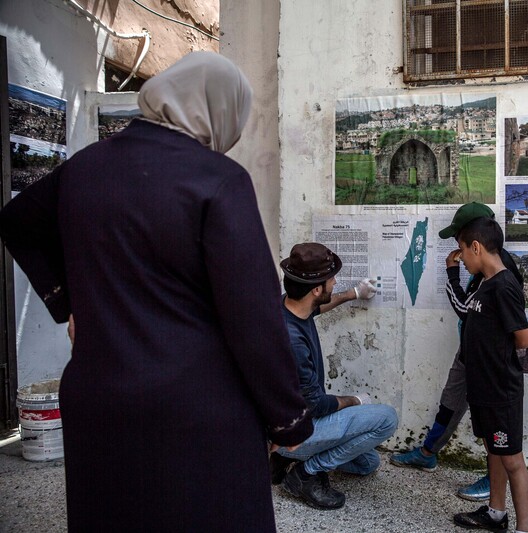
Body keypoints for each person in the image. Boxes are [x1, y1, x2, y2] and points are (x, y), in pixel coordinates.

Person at [0, 52, 313, 532]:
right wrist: (287, 418)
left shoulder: (84, 168)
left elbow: (18, 221)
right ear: (219, 109)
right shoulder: (217, 179)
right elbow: (254, 318)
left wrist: (67, 305)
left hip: (99, 398)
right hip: (195, 411)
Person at [390, 202, 524, 502]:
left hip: (488, 361)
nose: (458, 251)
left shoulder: (500, 272)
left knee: (492, 424)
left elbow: (466, 309)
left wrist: (451, 274)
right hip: (470, 352)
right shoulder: (488, 267)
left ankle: (494, 483)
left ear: (475, 240)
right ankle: (428, 452)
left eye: (460, 243)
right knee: (451, 403)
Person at [275, 243, 398, 510]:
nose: (335, 282)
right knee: (386, 419)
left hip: (285, 423)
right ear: (316, 289)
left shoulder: (288, 304)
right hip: (295, 430)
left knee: (368, 463)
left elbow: (317, 307)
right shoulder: (292, 342)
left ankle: (281, 462)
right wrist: (355, 399)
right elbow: (317, 405)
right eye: (331, 280)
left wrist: (353, 293)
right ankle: (304, 474)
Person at [450, 217, 528, 532]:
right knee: (494, 452)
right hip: (483, 388)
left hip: (501, 391)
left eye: (463, 251)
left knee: (512, 459)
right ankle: (496, 513)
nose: (462, 258)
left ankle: (524, 529)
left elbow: (525, 339)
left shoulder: (503, 284)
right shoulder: (485, 282)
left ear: (476, 247)